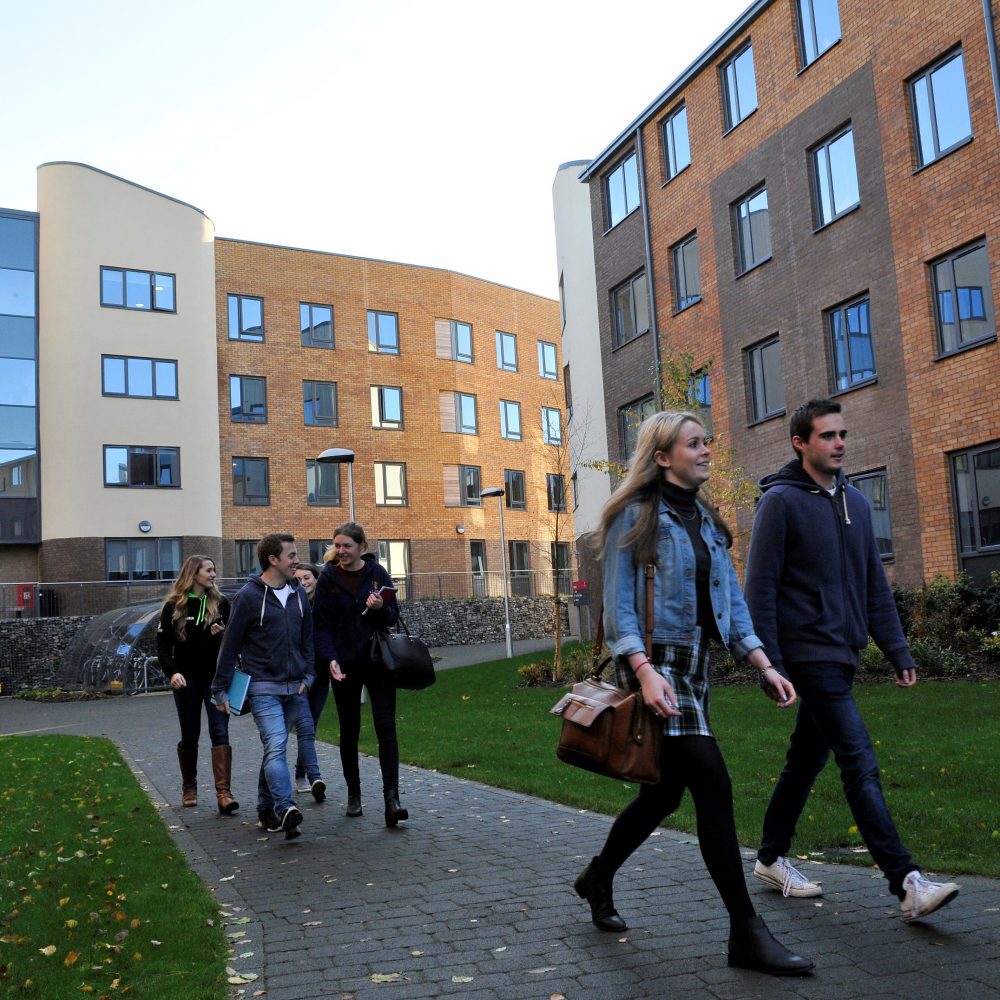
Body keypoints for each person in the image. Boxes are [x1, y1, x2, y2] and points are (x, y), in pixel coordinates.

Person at [578, 410, 814, 976]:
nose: (706, 449)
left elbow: (730, 604)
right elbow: (620, 608)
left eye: (706, 441)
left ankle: (597, 876)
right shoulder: (635, 516)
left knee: (662, 797)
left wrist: (763, 664)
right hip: (655, 667)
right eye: (694, 443)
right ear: (662, 457)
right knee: (713, 782)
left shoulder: (706, 520)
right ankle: (745, 932)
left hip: (694, 667)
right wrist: (644, 671)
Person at [744, 399, 960, 922]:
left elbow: (872, 584)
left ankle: (770, 858)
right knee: (858, 761)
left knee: (805, 760)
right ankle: (906, 881)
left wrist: (897, 648)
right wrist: (770, 667)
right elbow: (760, 590)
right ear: (800, 443)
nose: (839, 443)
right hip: (807, 654)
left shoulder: (856, 503)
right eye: (827, 435)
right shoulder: (780, 503)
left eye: (842, 434)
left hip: (843, 653)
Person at [212, 534, 320, 839]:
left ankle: (265, 809)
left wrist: (309, 676)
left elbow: (307, 640)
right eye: (291, 555)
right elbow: (230, 644)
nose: (296, 560)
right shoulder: (248, 596)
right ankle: (286, 808)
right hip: (263, 687)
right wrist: (219, 689)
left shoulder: (298, 593)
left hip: (295, 688)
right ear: (273, 559)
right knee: (276, 745)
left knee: (274, 748)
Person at [312, 522, 407, 827]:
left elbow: (393, 618)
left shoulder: (377, 574)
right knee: (349, 729)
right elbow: (320, 625)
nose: (341, 551)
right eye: (337, 545)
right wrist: (330, 659)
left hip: (378, 662)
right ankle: (354, 794)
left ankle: (392, 799)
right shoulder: (328, 578)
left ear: (361, 547)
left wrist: (379, 607)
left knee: (386, 728)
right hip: (344, 665)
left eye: (347, 546)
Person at [157, 555, 237, 814]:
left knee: (220, 732)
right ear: (194, 574)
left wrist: (222, 635)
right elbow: (163, 645)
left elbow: (233, 643)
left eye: (214, 570)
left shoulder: (221, 603)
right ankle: (189, 787)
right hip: (186, 680)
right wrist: (172, 673)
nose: (213, 574)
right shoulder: (173, 606)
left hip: (216, 681)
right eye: (209, 570)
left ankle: (224, 793)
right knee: (190, 734)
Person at [292, 563, 327, 794]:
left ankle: (300, 773)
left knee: (311, 725)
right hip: (299, 675)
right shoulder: (292, 605)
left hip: (321, 674)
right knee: (305, 725)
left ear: (315, 579)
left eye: (307, 578)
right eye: (298, 579)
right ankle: (312, 777)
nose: (303, 583)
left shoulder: (324, 605)